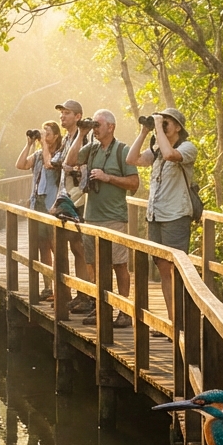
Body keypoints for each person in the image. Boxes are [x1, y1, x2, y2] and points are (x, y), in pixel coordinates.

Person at [64, 109, 139, 327]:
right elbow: (69, 161)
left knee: (119, 264)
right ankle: (100, 308)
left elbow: (134, 183)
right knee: (93, 264)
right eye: (93, 125)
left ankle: (124, 311)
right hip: (92, 217)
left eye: (98, 125)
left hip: (114, 217)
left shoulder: (122, 151)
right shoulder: (93, 149)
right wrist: (81, 133)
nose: (95, 129)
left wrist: (108, 178)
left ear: (111, 127)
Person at [126, 107, 198, 329]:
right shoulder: (156, 149)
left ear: (178, 127)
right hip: (155, 216)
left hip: (176, 216)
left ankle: (181, 321)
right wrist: (144, 131)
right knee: (162, 269)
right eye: (162, 121)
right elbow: (132, 159)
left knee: (175, 270)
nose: (163, 125)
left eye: (167, 122)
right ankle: (172, 320)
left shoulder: (187, 148)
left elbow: (170, 155)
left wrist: (158, 126)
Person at [51, 99, 93, 314]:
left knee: (82, 248)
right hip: (66, 197)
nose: (62, 116)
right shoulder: (67, 139)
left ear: (78, 116)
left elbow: (84, 164)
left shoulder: (86, 137)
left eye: (67, 113)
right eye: (61, 113)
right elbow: (57, 162)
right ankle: (79, 293)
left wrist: (75, 167)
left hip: (80, 199)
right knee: (73, 248)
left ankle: (88, 296)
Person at [16, 120, 62, 299]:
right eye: (43, 134)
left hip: (52, 205)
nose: (45, 137)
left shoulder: (59, 154)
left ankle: (60, 287)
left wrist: (43, 144)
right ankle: (47, 286)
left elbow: (49, 164)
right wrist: (28, 144)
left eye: (48, 134)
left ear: (56, 136)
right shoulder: (36, 155)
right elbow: (20, 164)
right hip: (37, 203)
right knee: (42, 245)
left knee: (54, 245)